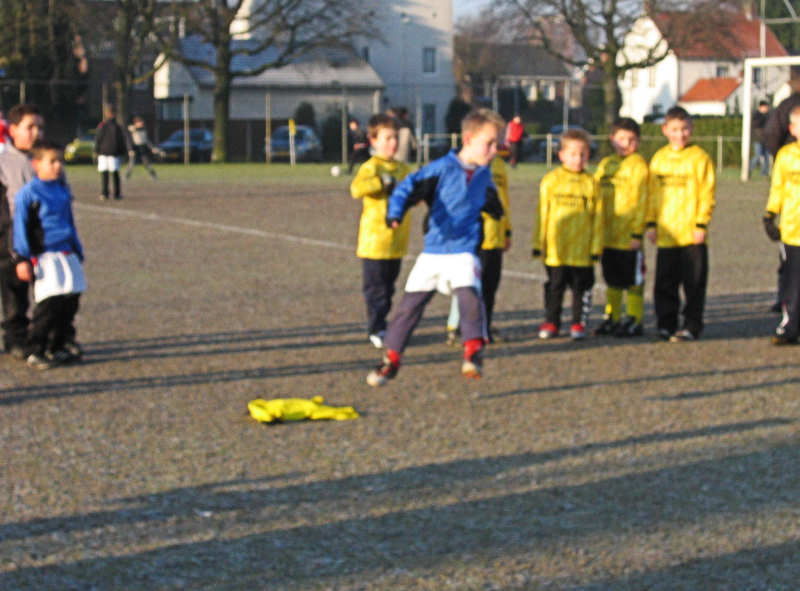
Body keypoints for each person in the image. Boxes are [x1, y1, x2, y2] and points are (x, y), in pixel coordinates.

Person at [366, 108, 506, 387]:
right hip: (434, 250)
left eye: (496, 144)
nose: (494, 150)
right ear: (468, 139)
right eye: (489, 143)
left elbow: (490, 199)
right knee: (410, 306)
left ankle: (473, 352)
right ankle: (390, 360)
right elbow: (408, 187)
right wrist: (395, 212)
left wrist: (499, 215)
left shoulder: (483, 173)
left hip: (464, 249)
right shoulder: (441, 168)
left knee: (469, 295)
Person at [13, 140, 85, 369]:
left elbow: (70, 223)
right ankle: (36, 349)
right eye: (52, 161)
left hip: (66, 252)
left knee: (70, 301)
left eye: (59, 161)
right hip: (44, 255)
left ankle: (59, 345)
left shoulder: (62, 190)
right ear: (36, 164)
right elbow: (21, 227)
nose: (57, 166)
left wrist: (77, 248)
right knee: (48, 304)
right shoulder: (29, 194)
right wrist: (23, 258)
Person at [646, 106, 715, 342]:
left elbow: (707, 193)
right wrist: (651, 224)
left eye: (684, 129)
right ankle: (666, 324)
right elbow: (652, 194)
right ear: (665, 130)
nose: (680, 134)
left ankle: (691, 325)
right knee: (665, 283)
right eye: (675, 129)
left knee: (694, 283)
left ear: (691, 129)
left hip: (691, 233)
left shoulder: (700, 158)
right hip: (667, 233)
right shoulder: (659, 159)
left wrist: (701, 224)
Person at [533, 129, 602, 341]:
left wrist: (596, 247)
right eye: (573, 154)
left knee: (581, 288)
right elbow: (542, 213)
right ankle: (551, 321)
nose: (578, 159)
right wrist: (539, 242)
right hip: (557, 249)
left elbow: (598, 218)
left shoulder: (592, 183)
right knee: (555, 286)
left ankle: (578, 323)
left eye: (582, 154)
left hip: (582, 249)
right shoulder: (551, 180)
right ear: (561, 155)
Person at [350, 114, 412, 348]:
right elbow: (356, 189)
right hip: (374, 242)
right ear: (373, 140)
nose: (392, 143)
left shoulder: (403, 168)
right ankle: (377, 327)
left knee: (389, 287)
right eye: (387, 138)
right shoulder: (371, 167)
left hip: (397, 241)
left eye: (395, 138)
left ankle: (382, 322)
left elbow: (413, 193)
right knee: (375, 288)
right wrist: (381, 183)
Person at [445, 155, 511, 344]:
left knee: (490, 286)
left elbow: (504, 201)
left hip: (494, 236)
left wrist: (507, 231)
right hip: (470, 236)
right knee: (467, 284)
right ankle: (457, 327)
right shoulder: (463, 164)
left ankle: (484, 327)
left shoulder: (499, 165)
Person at [593, 117, 648, 337]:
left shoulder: (639, 166)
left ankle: (635, 318)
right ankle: (612, 317)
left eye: (632, 139)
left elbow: (643, 200)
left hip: (628, 236)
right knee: (612, 279)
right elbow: (594, 193)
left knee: (633, 280)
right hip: (607, 235)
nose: (626, 143)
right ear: (612, 138)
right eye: (622, 138)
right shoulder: (605, 165)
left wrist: (637, 232)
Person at [0, 103, 44, 358]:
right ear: (13, 129)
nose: (36, 132)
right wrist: (15, 249)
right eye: (30, 127)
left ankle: (49, 335)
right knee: (15, 294)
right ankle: (15, 338)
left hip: (44, 238)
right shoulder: (5, 164)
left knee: (50, 292)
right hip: (12, 240)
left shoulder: (46, 159)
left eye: (39, 127)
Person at [764, 104, 800, 345]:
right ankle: (789, 326)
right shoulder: (786, 155)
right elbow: (777, 187)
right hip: (792, 229)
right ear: (792, 128)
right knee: (792, 280)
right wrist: (769, 215)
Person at [95, 104, 128, 200]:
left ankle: (105, 193)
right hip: (113, 153)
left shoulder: (103, 125)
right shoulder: (117, 126)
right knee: (113, 174)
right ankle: (114, 194)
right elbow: (121, 140)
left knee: (106, 174)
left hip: (105, 153)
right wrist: (122, 152)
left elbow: (98, 139)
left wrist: (97, 150)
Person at [750, 100, 771, 177]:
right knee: (757, 156)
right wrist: (763, 118)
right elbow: (755, 125)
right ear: (761, 107)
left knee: (767, 157)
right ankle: (748, 169)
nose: (767, 109)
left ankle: (764, 173)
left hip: (766, 140)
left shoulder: (768, 116)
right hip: (758, 139)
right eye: (765, 107)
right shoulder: (756, 115)